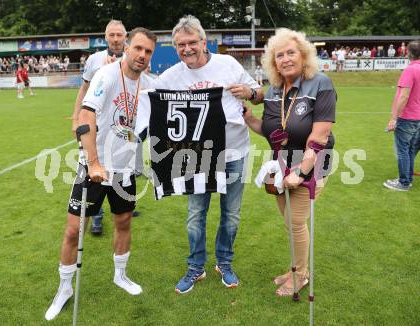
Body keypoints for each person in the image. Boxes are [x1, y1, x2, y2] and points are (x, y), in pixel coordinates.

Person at [44, 27, 157, 321]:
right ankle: (64, 288)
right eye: (139, 49)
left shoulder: (148, 84)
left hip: (125, 169)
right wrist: (93, 162)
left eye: (148, 52)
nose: (142, 55)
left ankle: (120, 275)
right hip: (94, 167)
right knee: (73, 230)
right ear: (128, 47)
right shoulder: (106, 75)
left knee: (123, 222)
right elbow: (86, 116)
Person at [156, 15, 263, 294]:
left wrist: (250, 92)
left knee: (231, 214)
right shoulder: (172, 76)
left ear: (204, 42)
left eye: (192, 42)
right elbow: (148, 95)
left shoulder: (227, 64)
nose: (187, 48)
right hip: (197, 157)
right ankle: (195, 267)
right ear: (175, 47)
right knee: (195, 214)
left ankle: (224, 263)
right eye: (180, 44)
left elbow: (260, 92)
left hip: (235, 152)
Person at [243, 28, 336, 296]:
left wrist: (301, 172)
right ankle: (295, 268)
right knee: (288, 222)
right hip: (281, 164)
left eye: (291, 53)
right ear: (274, 62)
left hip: (311, 162)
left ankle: (301, 276)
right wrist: (250, 118)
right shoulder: (274, 90)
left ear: (303, 55)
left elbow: (320, 135)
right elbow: (272, 130)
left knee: (295, 222)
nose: (285, 59)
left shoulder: (321, 83)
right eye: (279, 55)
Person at [71, 20, 136, 236]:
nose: (116, 39)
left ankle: (123, 204)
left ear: (125, 37)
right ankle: (96, 215)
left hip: (123, 125)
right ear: (105, 37)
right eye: (112, 35)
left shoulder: (134, 56)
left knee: (124, 165)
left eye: (119, 35)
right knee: (97, 168)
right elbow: (84, 89)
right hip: (98, 125)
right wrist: (76, 117)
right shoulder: (94, 60)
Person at [384, 40, 420, 191]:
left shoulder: (410, 70)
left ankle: (404, 182)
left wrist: (394, 118)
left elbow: (404, 96)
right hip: (417, 117)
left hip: (408, 117)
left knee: (403, 150)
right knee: (410, 149)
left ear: (408, 53)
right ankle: (407, 179)